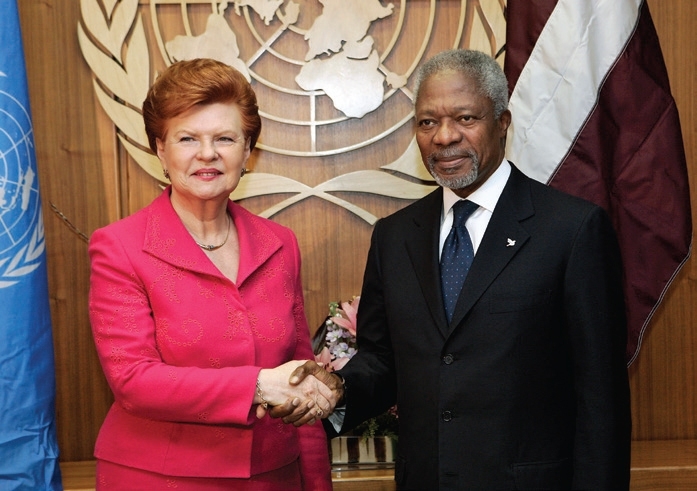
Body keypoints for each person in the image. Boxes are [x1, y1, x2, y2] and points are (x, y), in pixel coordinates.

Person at [274, 49, 632, 490]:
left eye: (465, 118)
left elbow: (602, 395)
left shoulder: (572, 230)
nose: (444, 137)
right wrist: (336, 387)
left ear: (502, 123)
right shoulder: (395, 236)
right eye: (427, 122)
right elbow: (384, 362)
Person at [88, 58, 335, 490]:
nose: (208, 153)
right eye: (187, 138)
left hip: (274, 476)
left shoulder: (281, 243)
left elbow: (300, 373)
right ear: (161, 150)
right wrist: (258, 386)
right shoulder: (119, 247)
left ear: (247, 151)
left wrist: (316, 481)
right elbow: (133, 380)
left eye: (225, 138)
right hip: (160, 478)